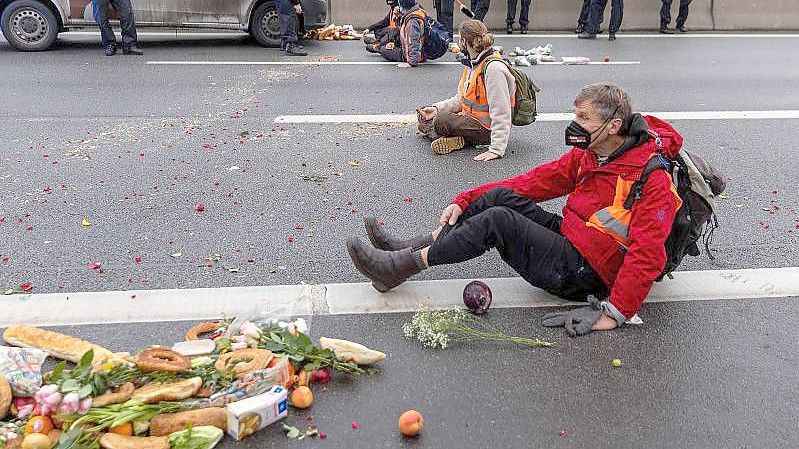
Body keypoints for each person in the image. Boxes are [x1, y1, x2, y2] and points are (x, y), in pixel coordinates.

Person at [346, 83, 685, 337]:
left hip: (587, 271)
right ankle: (414, 246)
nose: (575, 123)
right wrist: (466, 198)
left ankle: (400, 267)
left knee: (499, 221)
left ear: (613, 125)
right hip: (575, 239)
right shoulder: (594, 153)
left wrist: (615, 312)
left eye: (583, 118)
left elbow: (648, 252)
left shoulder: (651, 178)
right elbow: (534, 182)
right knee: (498, 199)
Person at [415, 20, 515, 162]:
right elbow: (460, 99)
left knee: (441, 121)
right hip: (468, 120)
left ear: (464, 41)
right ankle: (460, 139)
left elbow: (501, 112)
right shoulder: (472, 64)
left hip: (486, 129)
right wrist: (436, 108)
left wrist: (496, 149)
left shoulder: (494, 69)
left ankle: (466, 139)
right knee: (425, 122)